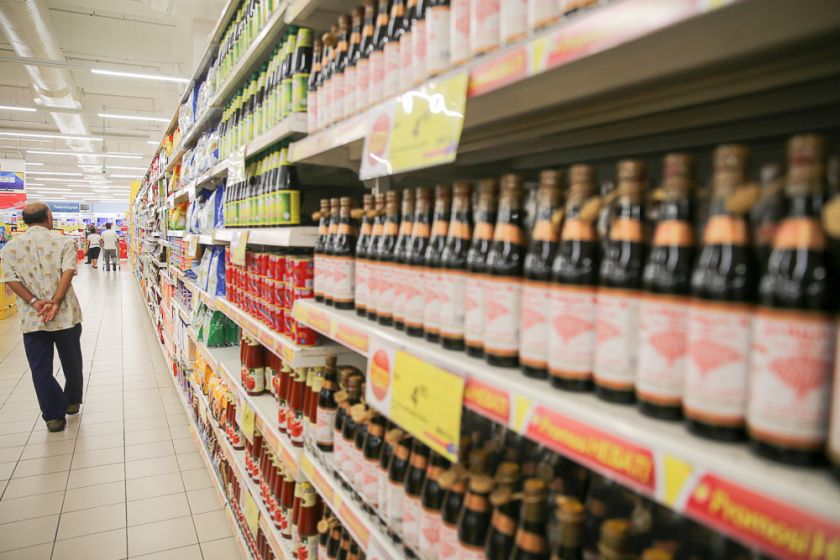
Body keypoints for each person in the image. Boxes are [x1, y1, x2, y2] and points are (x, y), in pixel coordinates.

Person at [0, 202, 83, 432]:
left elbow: (10, 280)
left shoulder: (10, 248)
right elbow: (68, 271)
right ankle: (72, 401)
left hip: (33, 318)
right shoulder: (63, 241)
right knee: (72, 362)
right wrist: (55, 300)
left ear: (24, 221)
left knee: (40, 368)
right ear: (49, 217)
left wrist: (35, 302)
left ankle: (53, 416)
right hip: (65, 314)